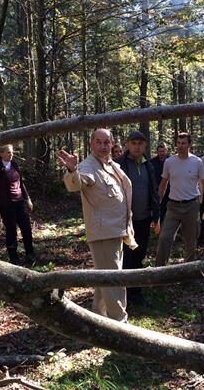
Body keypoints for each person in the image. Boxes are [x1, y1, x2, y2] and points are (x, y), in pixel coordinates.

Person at [57, 129, 134, 322]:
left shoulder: (112, 166)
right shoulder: (87, 166)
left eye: (106, 142)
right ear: (91, 144)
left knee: (104, 278)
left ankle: (97, 319)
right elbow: (76, 184)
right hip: (103, 234)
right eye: (98, 142)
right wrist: (72, 171)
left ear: (112, 144)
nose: (102, 146)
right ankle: (120, 325)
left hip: (117, 231)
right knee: (114, 280)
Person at [116, 130, 160, 306]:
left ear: (145, 146)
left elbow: (154, 190)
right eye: (133, 143)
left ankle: (136, 292)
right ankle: (123, 293)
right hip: (125, 221)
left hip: (144, 219)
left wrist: (156, 214)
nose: (137, 146)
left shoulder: (148, 165)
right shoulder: (118, 165)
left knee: (139, 255)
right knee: (125, 256)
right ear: (128, 145)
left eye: (140, 143)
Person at [156, 133, 204, 266]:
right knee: (164, 238)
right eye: (179, 143)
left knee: (191, 241)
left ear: (189, 144)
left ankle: (189, 271)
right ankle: (158, 271)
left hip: (191, 206)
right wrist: (157, 208)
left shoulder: (197, 162)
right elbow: (163, 185)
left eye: (184, 143)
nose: (180, 146)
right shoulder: (169, 162)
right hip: (173, 206)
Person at [0, 145, 35, 265]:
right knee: (11, 230)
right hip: (6, 205)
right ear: (1, 154)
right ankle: (13, 258)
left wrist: (27, 198)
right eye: (8, 152)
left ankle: (30, 255)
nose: (11, 154)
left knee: (26, 228)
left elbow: (21, 183)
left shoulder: (14, 164)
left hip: (19, 202)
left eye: (12, 152)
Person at [150, 144, 169, 224]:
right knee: (159, 210)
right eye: (160, 151)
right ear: (157, 152)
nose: (161, 153)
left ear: (166, 151)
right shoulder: (152, 162)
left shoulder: (171, 160)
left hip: (170, 191)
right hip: (158, 191)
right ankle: (158, 229)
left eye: (163, 151)